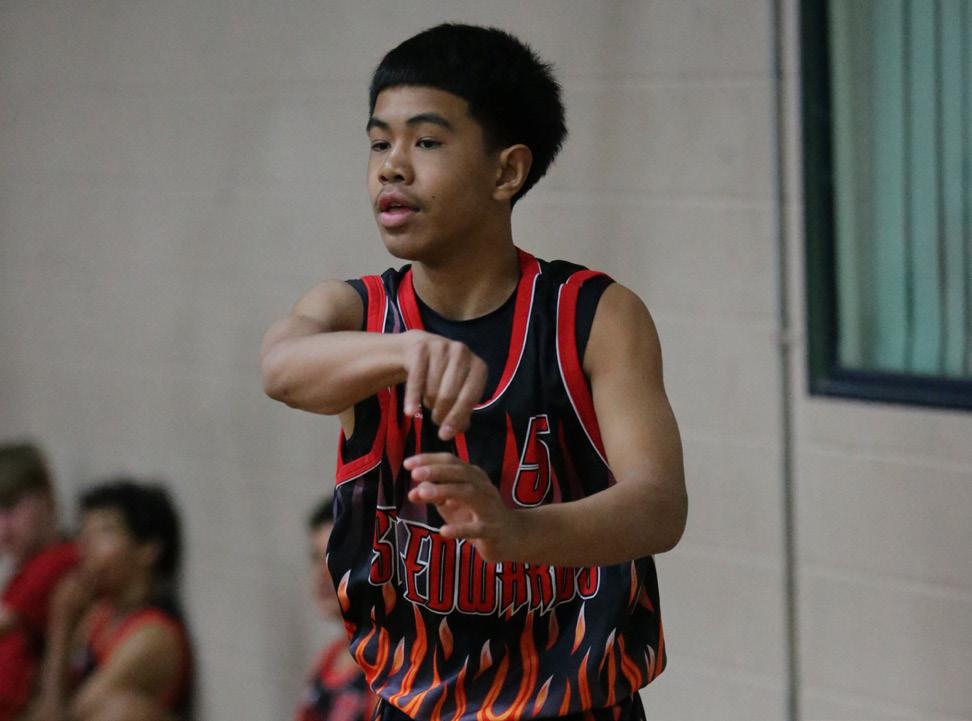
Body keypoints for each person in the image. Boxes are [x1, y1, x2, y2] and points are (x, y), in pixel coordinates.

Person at [261, 23, 687, 721]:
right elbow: (279, 367)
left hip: (577, 706)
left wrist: (519, 531)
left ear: (506, 172)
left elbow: (660, 505)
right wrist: (405, 352)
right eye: (379, 143)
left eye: (426, 142)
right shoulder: (356, 312)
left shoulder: (595, 315)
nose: (392, 167)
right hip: (417, 704)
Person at [29, 479, 192, 721]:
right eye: (85, 533)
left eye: (104, 532)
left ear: (148, 549)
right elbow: (42, 703)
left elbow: (73, 715)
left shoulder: (152, 636)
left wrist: (61, 627)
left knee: (119, 711)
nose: (86, 545)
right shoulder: (101, 613)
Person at [0, 443, 79, 721]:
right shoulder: (25, 570)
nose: (2, 529)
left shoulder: (57, 561)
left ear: (46, 498)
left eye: (10, 509)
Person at [295, 496, 377, 721]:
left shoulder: (393, 672)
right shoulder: (328, 660)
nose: (322, 574)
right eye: (316, 558)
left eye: (337, 559)